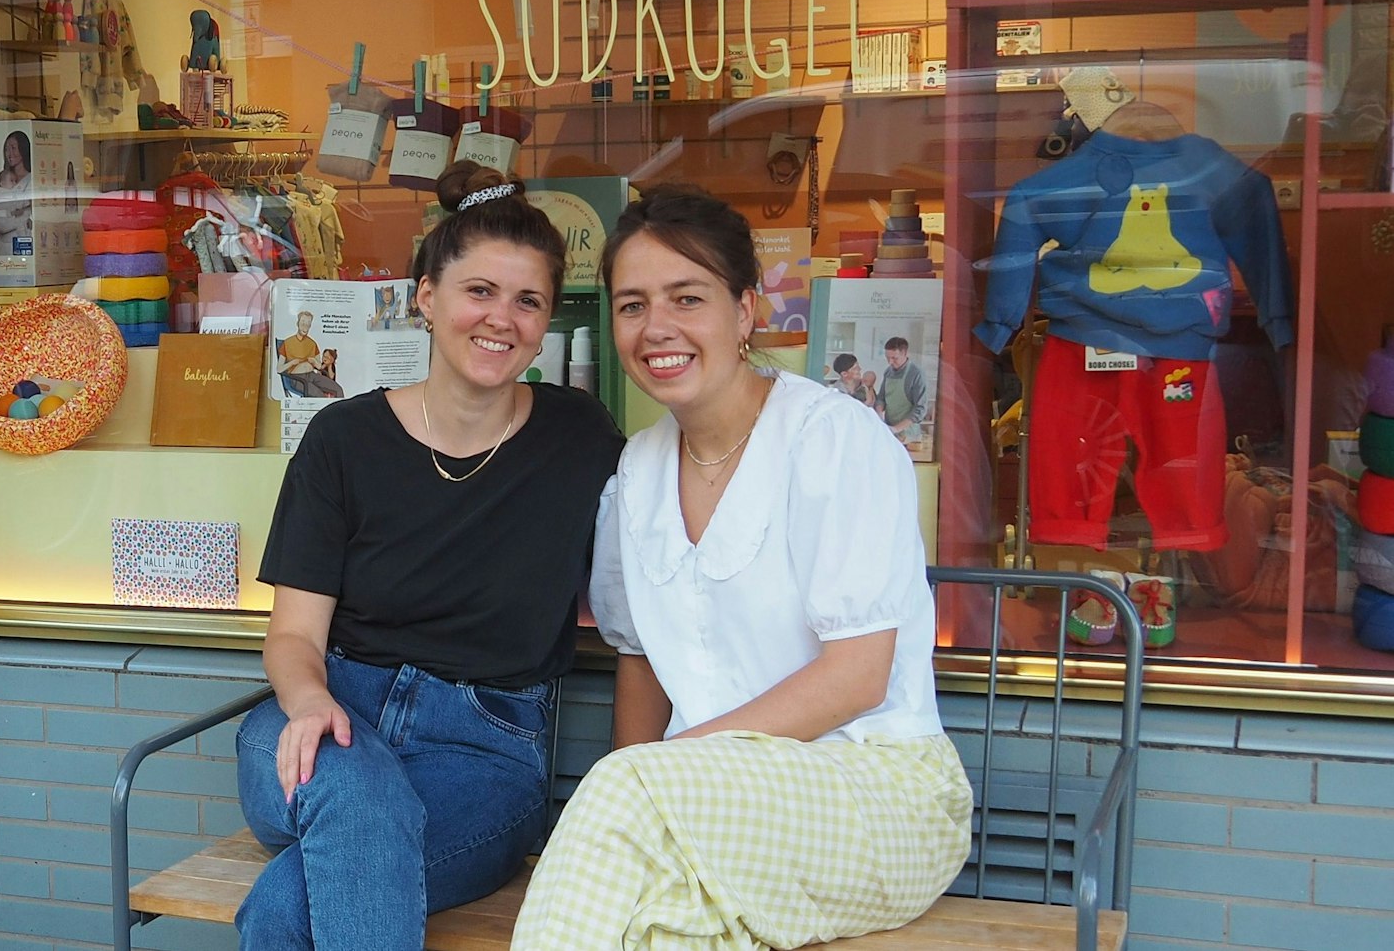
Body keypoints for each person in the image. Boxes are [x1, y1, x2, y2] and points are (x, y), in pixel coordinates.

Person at [512, 185, 971, 951]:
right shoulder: (638, 470)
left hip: (877, 794)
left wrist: (660, 775)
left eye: (686, 298)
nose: (656, 327)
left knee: (623, 797)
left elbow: (858, 677)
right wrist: (658, 791)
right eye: (631, 305)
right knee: (649, 931)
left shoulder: (833, 440)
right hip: (712, 803)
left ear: (745, 311)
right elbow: (640, 661)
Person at [236, 161, 626, 951]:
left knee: (290, 903)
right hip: (328, 711)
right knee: (357, 797)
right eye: (479, 290)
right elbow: (294, 636)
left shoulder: (579, 438)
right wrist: (309, 702)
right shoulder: (343, 440)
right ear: (426, 297)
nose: (501, 319)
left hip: (483, 750)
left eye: (527, 301)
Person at [276, 310, 344, 398]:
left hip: (312, 375)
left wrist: (315, 362)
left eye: (308, 323)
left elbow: (319, 366)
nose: (305, 325)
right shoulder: (287, 343)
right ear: (297, 323)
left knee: (338, 390)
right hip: (297, 378)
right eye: (303, 322)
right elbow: (279, 369)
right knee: (320, 396)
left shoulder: (312, 344)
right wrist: (292, 363)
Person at [0, 129, 34, 255]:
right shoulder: (4, 180)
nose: (9, 153)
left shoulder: (31, 180)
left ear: (23, 149)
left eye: (13, 148)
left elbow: (30, 210)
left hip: (21, 241)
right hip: (3, 245)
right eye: (6, 149)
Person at [879, 335, 928, 441]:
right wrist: (879, 418)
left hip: (908, 433)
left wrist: (896, 429)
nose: (890, 362)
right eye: (887, 358)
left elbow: (920, 409)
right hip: (889, 430)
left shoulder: (916, 374)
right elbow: (881, 399)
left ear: (905, 353)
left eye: (894, 358)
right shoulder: (888, 372)